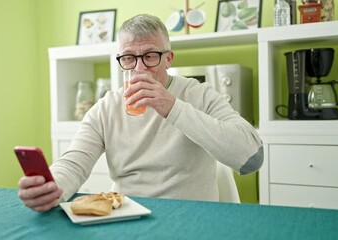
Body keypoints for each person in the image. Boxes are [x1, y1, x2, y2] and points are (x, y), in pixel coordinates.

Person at [18, 14, 263, 212]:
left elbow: (252, 157)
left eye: (150, 56)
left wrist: (172, 107)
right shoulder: (107, 108)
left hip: (191, 220)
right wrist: (50, 189)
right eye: (129, 58)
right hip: (128, 219)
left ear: (168, 59)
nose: (139, 68)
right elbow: (73, 165)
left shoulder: (200, 95)